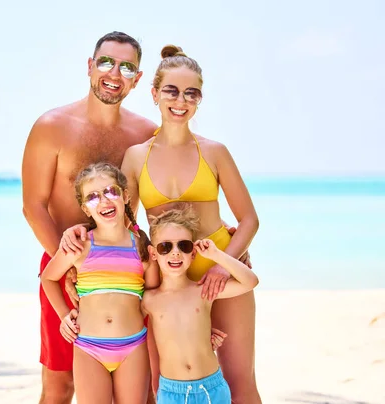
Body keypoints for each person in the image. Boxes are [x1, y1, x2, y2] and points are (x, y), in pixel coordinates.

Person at [60, 44, 261, 403]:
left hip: (219, 270)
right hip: (165, 275)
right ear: (154, 94)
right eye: (171, 90)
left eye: (191, 92)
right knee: (162, 384)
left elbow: (249, 219)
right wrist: (84, 247)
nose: (180, 100)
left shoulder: (215, 152)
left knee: (240, 382)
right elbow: (125, 224)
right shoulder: (136, 157)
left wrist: (228, 259)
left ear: (200, 99)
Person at [21, 31, 159, 404]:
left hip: (126, 270)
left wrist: (222, 240)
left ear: (137, 78)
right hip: (64, 263)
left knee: (143, 388)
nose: (115, 73)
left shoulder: (147, 134)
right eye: (106, 62)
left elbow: (165, 203)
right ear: (89, 67)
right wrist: (67, 269)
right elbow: (33, 207)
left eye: (127, 66)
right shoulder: (52, 126)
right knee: (60, 385)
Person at [41, 162, 159, 403]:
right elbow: (49, 278)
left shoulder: (140, 247)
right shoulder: (80, 246)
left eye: (111, 191)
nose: (104, 200)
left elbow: (154, 296)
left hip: (133, 346)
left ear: (126, 196)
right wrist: (64, 315)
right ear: (85, 208)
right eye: (93, 197)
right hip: (88, 347)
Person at [143, 208, 259, 403]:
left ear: (194, 253)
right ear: (153, 253)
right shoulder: (149, 300)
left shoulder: (203, 291)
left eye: (184, 246)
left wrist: (217, 255)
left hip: (212, 388)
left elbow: (250, 282)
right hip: (172, 392)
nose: (176, 253)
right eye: (165, 247)